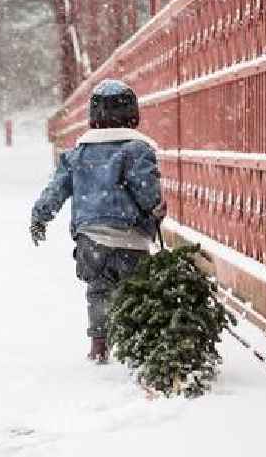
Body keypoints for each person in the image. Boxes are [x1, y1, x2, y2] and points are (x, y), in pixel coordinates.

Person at [30, 79, 166, 363]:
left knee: (98, 291)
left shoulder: (77, 155)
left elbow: (56, 189)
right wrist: (155, 208)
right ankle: (134, 344)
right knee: (135, 292)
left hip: (91, 238)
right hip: (131, 237)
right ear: (132, 114)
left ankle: (99, 345)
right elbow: (146, 189)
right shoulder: (136, 150)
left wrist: (40, 216)